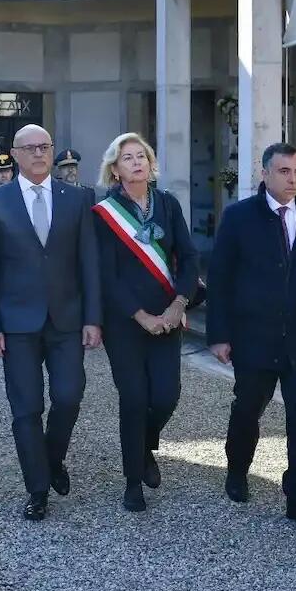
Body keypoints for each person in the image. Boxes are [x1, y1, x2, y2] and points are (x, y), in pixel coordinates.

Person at [0, 124, 102, 521]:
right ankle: (38, 488)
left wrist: (93, 318)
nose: (39, 153)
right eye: (29, 148)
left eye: (44, 146)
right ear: (14, 154)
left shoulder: (78, 198)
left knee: (69, 396)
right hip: (16, 324)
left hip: (67, 319)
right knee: (26, 408)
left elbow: (89, 263)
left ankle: (52, 457)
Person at [208, 143, 296, 529]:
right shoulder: (238, 217)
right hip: (254, 336)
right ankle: (237, 469)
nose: (292, 179)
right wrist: (219, 335)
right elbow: (220, 278)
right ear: (264, 174)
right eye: (283, 171)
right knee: (248, 408)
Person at [93, 133, 198, 512]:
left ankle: (144, 445)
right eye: (128, 158)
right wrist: (141, 316)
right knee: (135, 398)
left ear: (151, 164)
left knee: (167, 396)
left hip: (168, 317)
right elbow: (107, 275)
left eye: (142, 156)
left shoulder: (168, 204)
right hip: (125, 322)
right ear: (115, 169)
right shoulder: (104, 213)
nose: (137, 162)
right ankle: (133, 481)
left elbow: (188, 257)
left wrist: (178, 305)